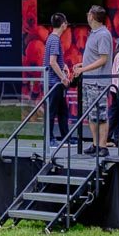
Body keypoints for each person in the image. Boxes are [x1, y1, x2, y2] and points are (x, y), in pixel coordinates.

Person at [77, 6, 116, 154]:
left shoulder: (103, 34)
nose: (87, 16)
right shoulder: (93, 33)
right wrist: (82, 65)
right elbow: (94, 57)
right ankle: (95, 144)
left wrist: (83, 69)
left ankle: (103, 146)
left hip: (98, 82)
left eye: (88, 14)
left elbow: (103, 59)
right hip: (88, 81)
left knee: (101, 115)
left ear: (92, 16)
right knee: (91, 115)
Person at [42, 12, 72, 147]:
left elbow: (55, 60)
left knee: (62, 111)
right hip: (54, 82)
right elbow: (52, 62)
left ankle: (66, 137)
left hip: (55, 82)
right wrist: (63, 78)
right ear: (63, 24)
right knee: (52, 111)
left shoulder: (51, 38)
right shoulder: (54, 40)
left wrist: (63, 65)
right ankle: (49, 139)